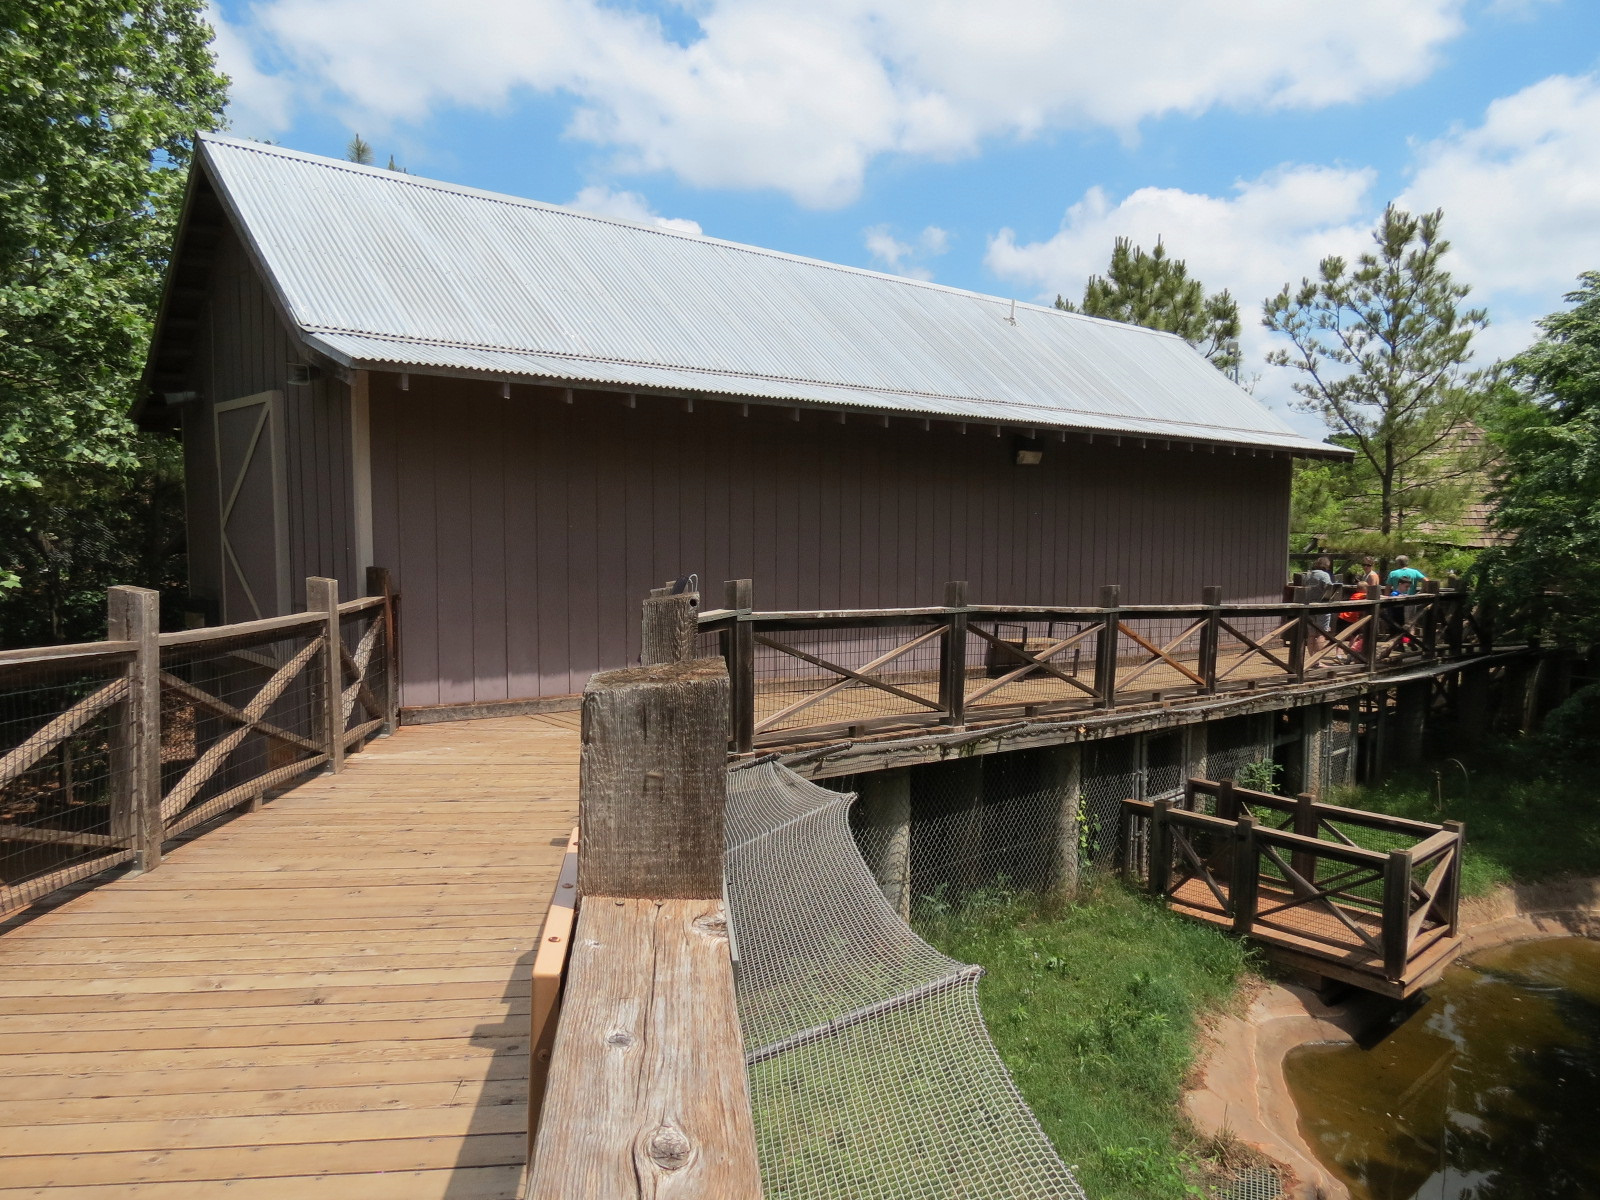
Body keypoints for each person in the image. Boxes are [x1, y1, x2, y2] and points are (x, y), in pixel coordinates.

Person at [1304, 555, 1336, 645]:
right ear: (1326, 565)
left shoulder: (1308, 575)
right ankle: (1319, 654)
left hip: (1309, 606)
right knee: (1321, 634)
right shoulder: (1324, 575)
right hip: (1322, 606)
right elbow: (1329, 588)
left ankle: (1312, 654)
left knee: (1311, 635)